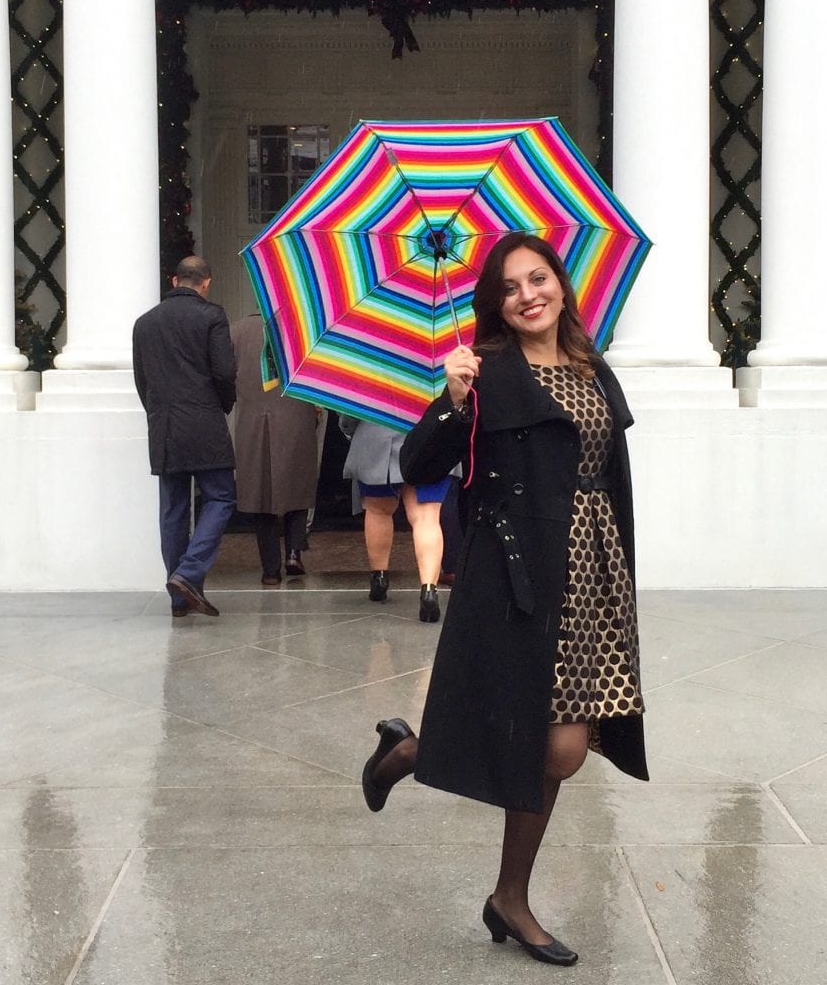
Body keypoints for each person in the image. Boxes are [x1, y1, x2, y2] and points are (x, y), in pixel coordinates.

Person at [360, 232, 648, 967]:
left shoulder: (591, 366)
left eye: (538, 278)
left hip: (590, 573)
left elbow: (607, 473)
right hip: (519, 576)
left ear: (559, 283)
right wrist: (454, 403)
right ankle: (507, 893)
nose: (528, 294)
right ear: (497, 305)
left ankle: (497, 882)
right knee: (547, 744)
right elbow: (423, 466)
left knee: (560, 749)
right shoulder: (483, 372)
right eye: (512, 287)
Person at [133, 256, 237, 617]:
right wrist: (223, 405)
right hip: (204, 421)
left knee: (174, 509)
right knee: (221, 497)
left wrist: (158, 414)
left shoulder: (144, 324)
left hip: (164, 426)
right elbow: (225, 372)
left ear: (174, 280)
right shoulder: (212, 316)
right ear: (206, 282)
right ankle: (189, 573)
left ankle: (179, 599)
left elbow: (141, 381)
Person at [230, 313, 320, 584]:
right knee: (298, 483)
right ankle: (293, 553)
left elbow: (224, 373)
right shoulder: (304, 325)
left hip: (252, 420)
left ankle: (270, 569)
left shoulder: (237, 330)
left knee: (260, 493)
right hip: (298, 414)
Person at [339, 418, 449, 622]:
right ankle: (428, 590)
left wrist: (349, 429)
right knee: (426, 517)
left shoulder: (370, 382)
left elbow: (348, 413)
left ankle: (379, 579)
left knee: (378, 511)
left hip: (376, 438)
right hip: (431, 441)